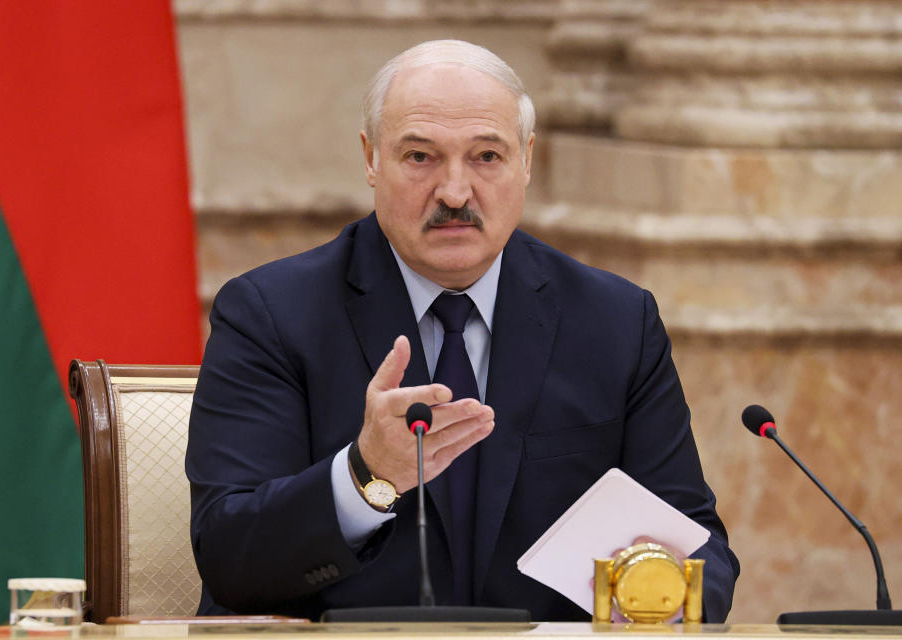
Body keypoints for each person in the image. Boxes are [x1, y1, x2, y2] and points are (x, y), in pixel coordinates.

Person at [186, 39, 740, 622]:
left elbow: (703, 552)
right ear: (372, 159)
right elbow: (229, 556)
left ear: (527, 160)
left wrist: (656, 587)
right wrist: (367, 477)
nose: (454, 192)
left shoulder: (616, 321)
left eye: (486, 156)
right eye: (421, 157)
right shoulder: (270, 314)